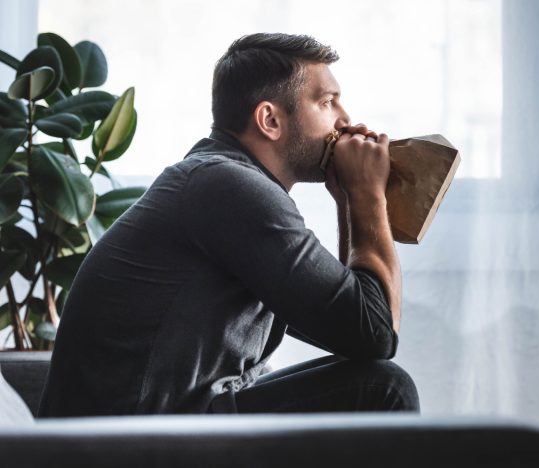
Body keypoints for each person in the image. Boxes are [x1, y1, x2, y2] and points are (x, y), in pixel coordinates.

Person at [38, 33, 420, 416]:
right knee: (383, 388)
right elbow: (375, 334)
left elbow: (347, 329)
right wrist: (368, 194)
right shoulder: (229, 187)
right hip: (130, 442)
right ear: (270, 119)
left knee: (372, 378)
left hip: (159, 423)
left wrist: (349, 200)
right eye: (327, 102)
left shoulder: (219, 180)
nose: (346, 120)